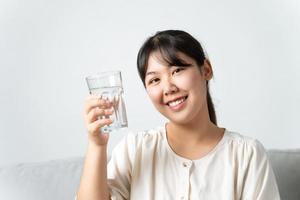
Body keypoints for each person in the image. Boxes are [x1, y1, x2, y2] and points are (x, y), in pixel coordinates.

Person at [76, 30, 280, 200]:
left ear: (206, 70)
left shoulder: (247, 154)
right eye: (154, 80)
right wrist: (97, 145)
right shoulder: (135, 149)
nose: (168, 87)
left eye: (177, 70)